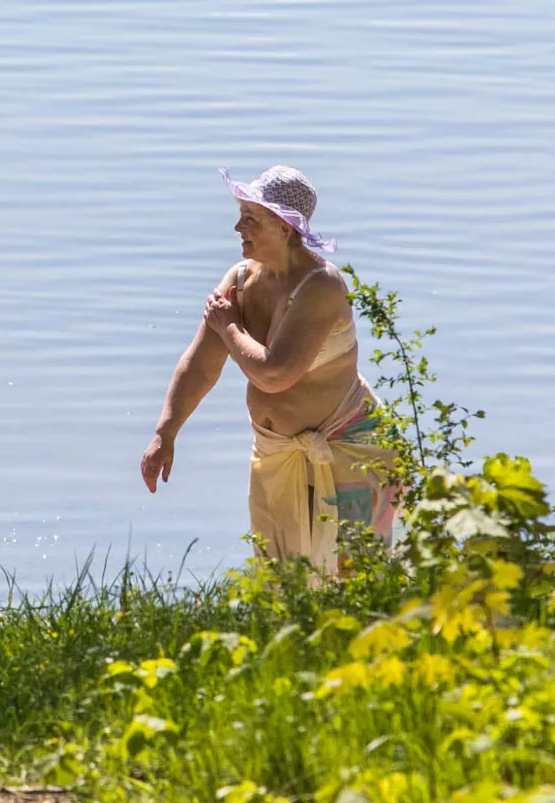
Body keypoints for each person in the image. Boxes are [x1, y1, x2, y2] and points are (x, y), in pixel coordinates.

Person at [139, 166, 397, 575]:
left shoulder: (321, 287)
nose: (238, 225)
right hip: (276, 455)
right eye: (241, 213)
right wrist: (165, 433)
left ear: (284, 228)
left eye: (251, 217)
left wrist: (229, 327)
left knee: (354, 584)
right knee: (282, 585)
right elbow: (200, 364)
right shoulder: (240, 279)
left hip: (346, 448)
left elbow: (275, 375)